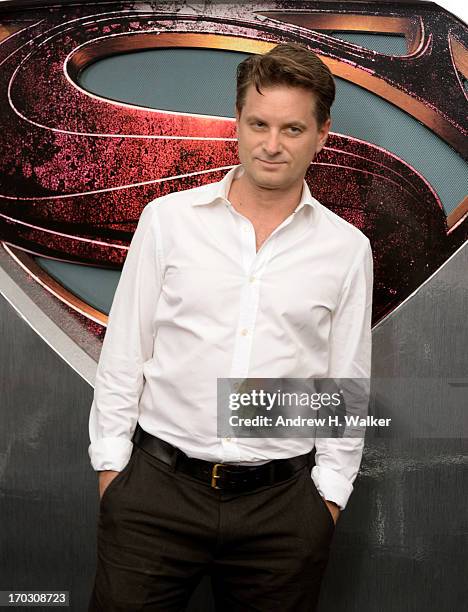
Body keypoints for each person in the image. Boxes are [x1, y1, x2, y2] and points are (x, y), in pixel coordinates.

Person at [88, 43, 373, 611]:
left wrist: (328, 499)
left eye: (292, 128)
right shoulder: (169, 221)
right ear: (237, 123)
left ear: (322, 134)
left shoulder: (346, 249)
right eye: (258, 124)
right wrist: (112, 470)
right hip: (154, 495)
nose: (271, 145)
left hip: (283, 512)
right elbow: (125, 351)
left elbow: (343, 384)